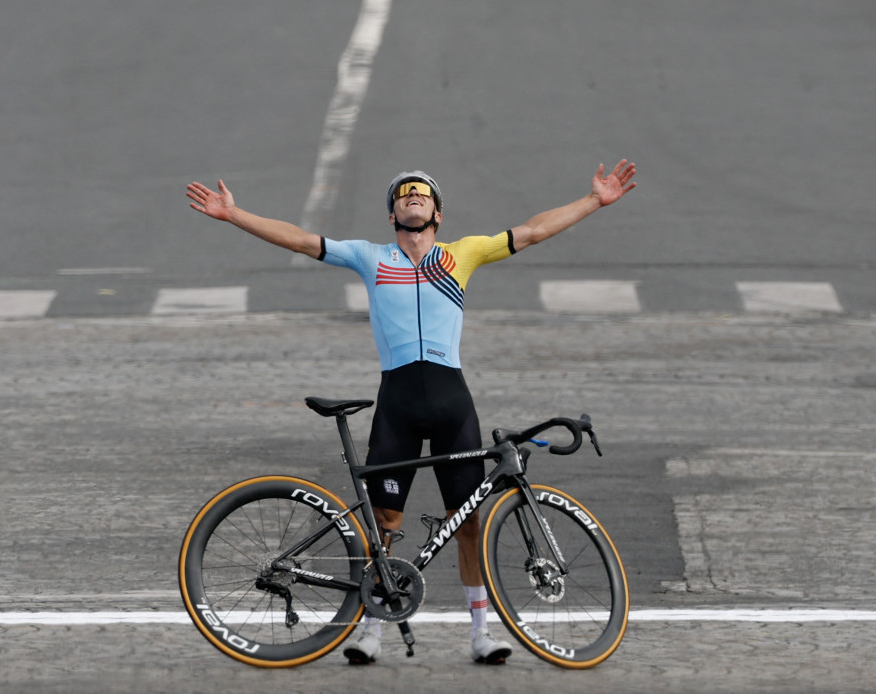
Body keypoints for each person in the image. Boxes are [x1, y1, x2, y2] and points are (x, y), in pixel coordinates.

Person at [184, 160, 639, 666]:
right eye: (404, 194)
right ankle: (373, 629)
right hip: (398, 403)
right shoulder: (370, 257)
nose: (413, 196)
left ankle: (481, 635)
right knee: (384, 522)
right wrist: (235, 214)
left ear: (438, 214)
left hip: (451, 404)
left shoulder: (461, 255)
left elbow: (532, 232)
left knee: (467, 523)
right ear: (392, 215)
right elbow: (298, 239)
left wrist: (594, 200)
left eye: (422, 194)